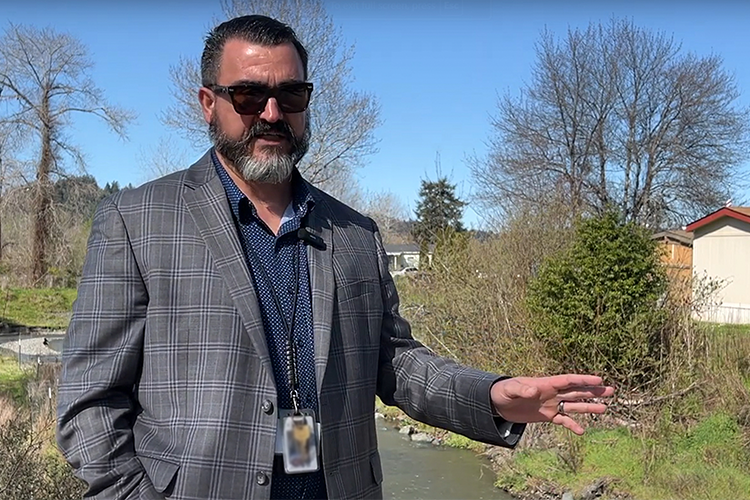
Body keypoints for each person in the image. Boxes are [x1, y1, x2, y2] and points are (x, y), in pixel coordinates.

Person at [56, 14, 614, 500]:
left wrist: (491, 395)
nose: (271, 113)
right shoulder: (138, 220)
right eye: (248, 95)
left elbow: (393, 363)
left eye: (291, 95)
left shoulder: (354, 232)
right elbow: (90, 403)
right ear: (209, 103)